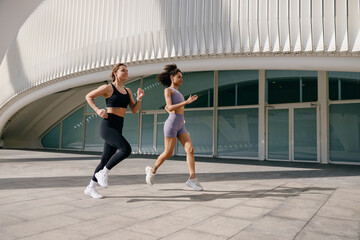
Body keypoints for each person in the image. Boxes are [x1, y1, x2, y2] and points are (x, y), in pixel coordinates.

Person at [84, 63, 144, 199]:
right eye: (123, 70)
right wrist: (98, 110)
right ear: (115, 73)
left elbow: (134, 110)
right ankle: (103, 172)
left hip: (118, 126)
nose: (126, 73)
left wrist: (139, 99)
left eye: (127, 71)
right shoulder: (108, 88)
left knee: (105, 158)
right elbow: (89, 96)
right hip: (108, 125)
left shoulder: (128, 91)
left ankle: (90, 187)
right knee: (125, 149)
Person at [145, 64, 203, 191]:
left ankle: (192, 179)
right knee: (168, 153)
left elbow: (170, 109)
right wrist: (186, 102)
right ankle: (152, 170)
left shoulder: (178, 92)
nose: (181, 79)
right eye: (179, 77)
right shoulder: (168, 90)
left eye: (182, 77)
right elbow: (169, 107)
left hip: (180, 124)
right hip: (171, 125)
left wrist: (181, 118)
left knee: (190, 150)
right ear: (172, 77)